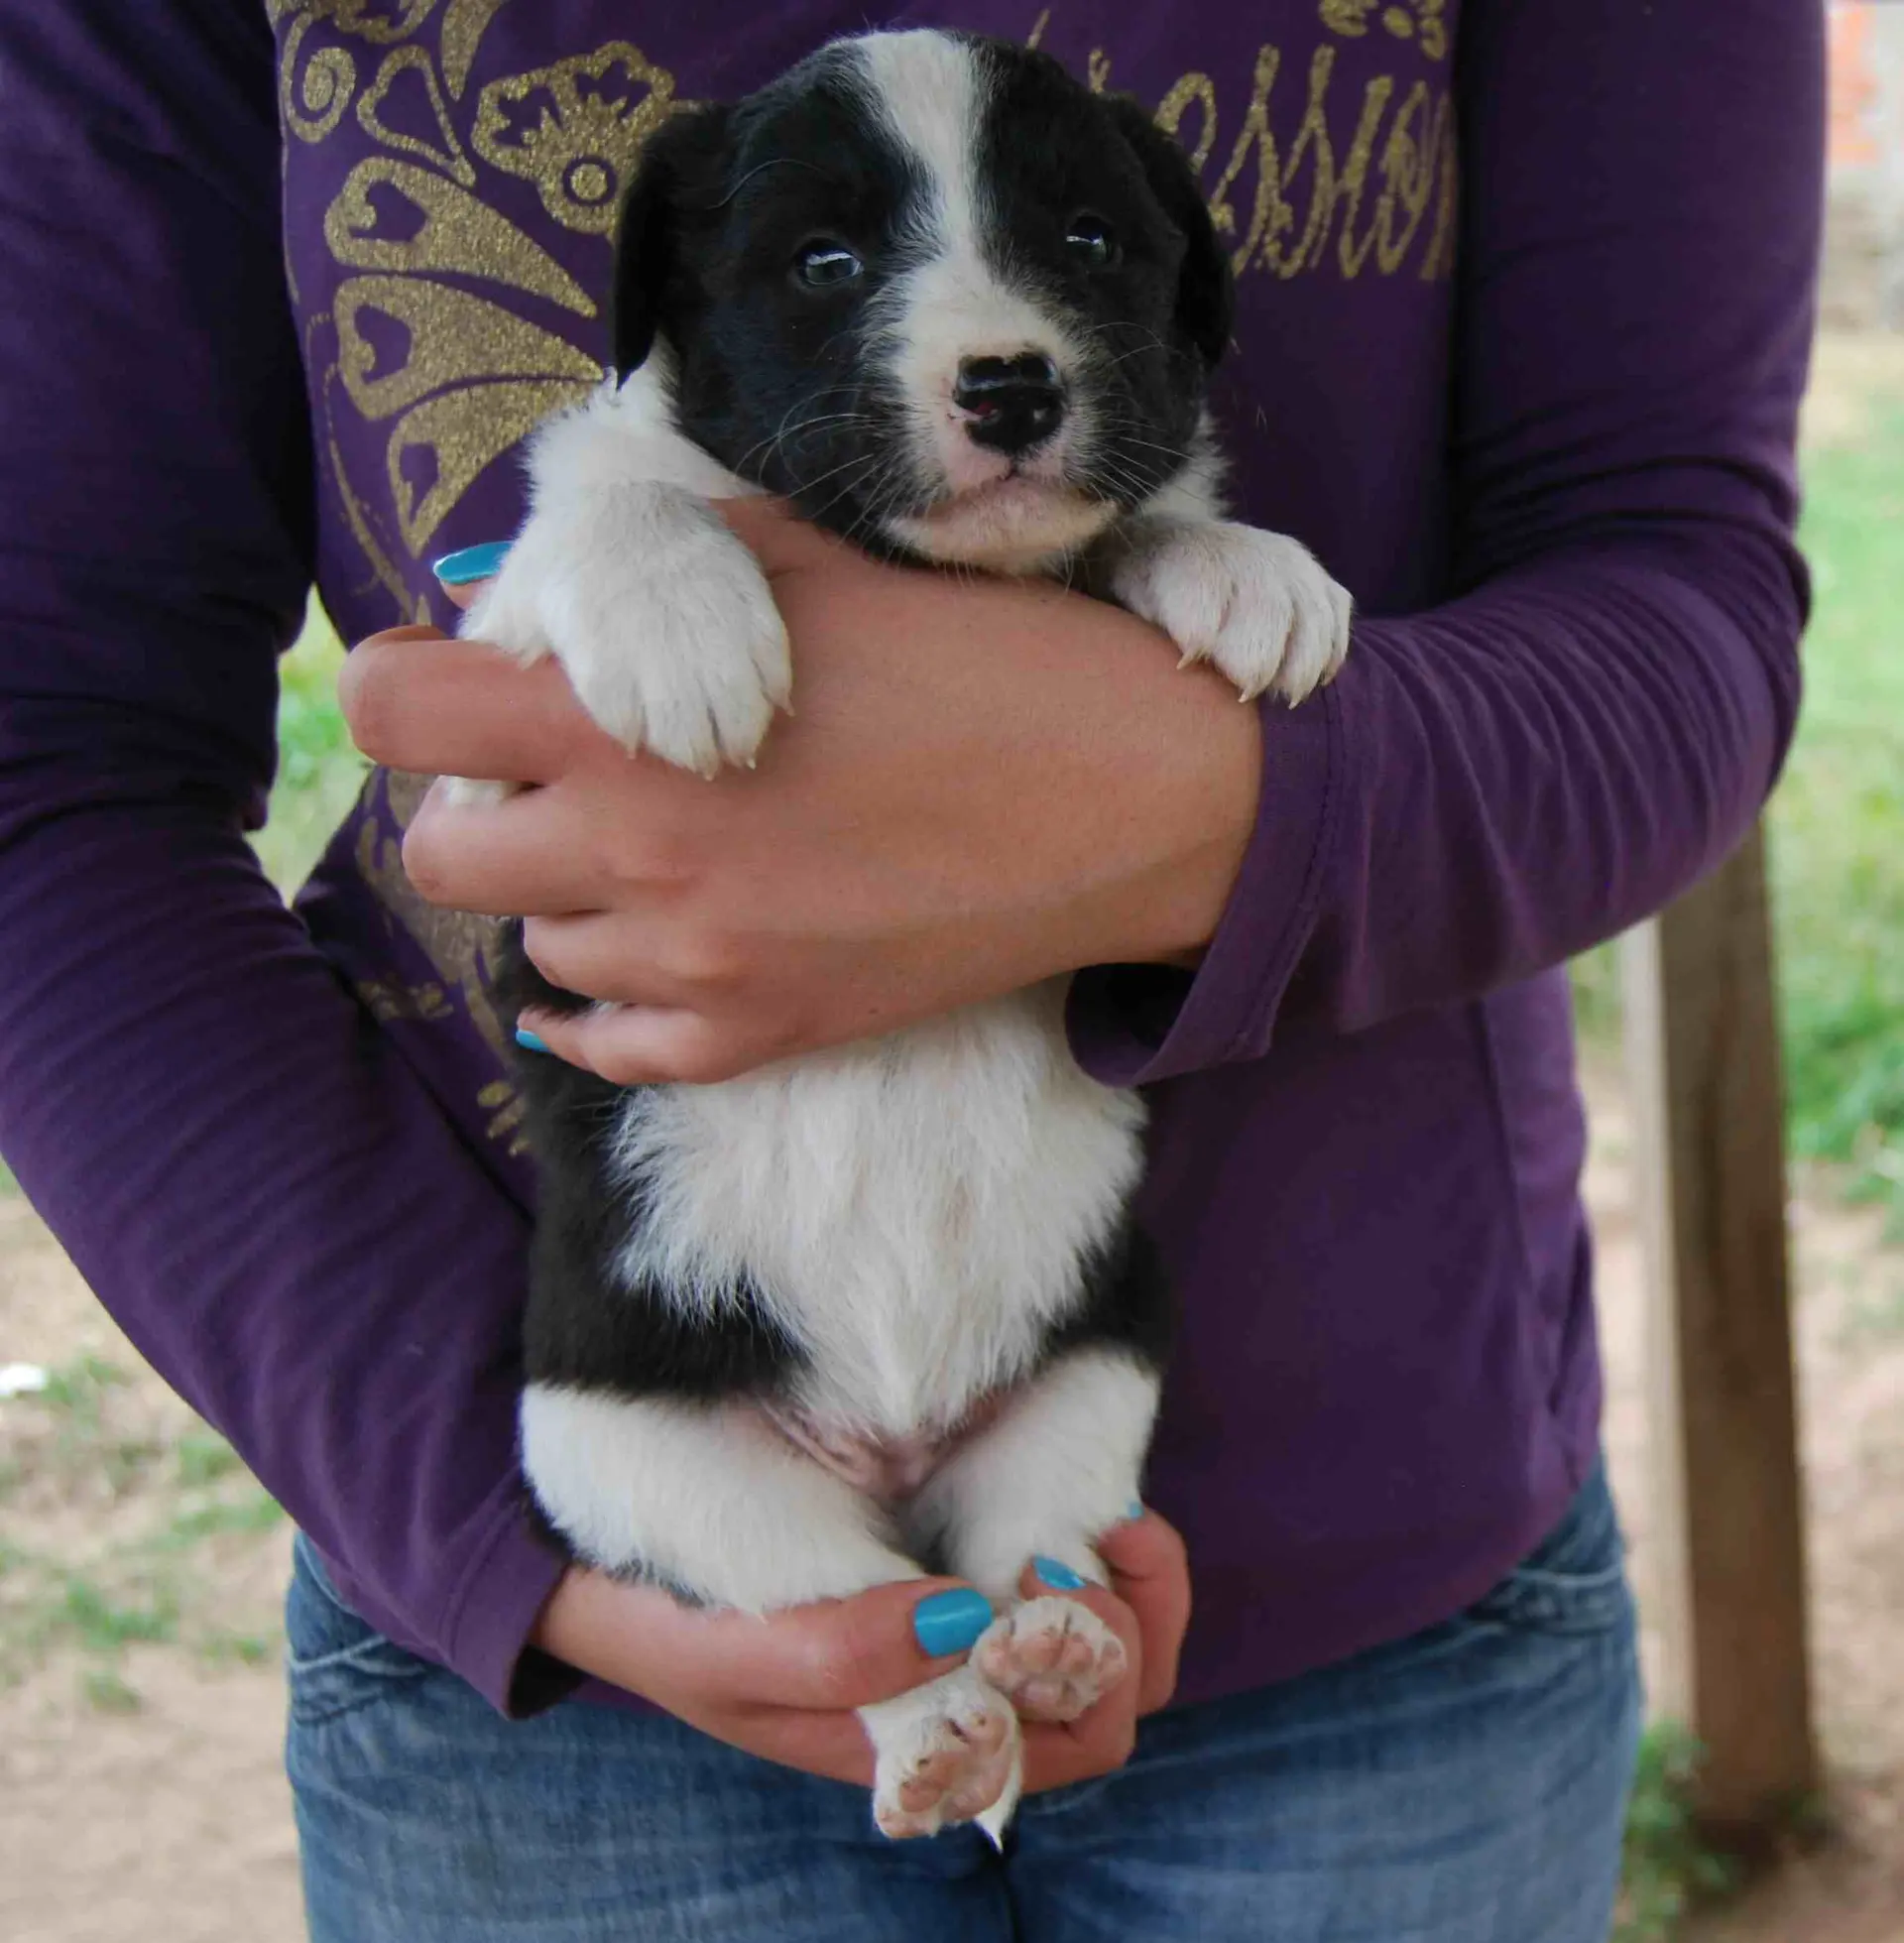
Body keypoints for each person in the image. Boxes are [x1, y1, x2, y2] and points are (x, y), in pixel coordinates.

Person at [0, 2, 1823, 1938]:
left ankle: (1018, 1575)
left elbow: (1671, 570)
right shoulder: (641, 447)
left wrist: (1234, 790)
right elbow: (47, 767)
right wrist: (476, 1491)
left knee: (1061, 1434)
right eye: (829, 258)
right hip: (571, 1592)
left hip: (1369, 1567)